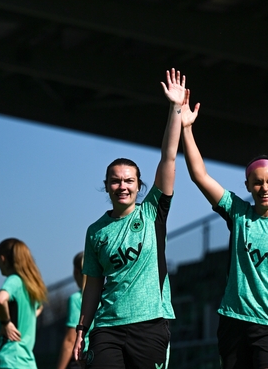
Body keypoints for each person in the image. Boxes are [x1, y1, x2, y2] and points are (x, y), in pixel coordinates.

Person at [181, 89, 268, 368]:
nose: (264, 188)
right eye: (257, 182)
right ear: (247, 186)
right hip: (233, 323)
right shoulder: (237, 213)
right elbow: (199, 176)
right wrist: (187, 128)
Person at [73, 69, 185, 369]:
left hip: (150, 324)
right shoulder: (96, 231)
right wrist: (81, 330)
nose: (122, 186)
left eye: (128, 180)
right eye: (115, 180)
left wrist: (174, 107)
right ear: (106, 185)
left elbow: (169, 157)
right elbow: (93, 286)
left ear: (139, 186)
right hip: (107, 327)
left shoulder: (152, 212)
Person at [0, 238, 47, 369]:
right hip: (27, 361)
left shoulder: (14, 280)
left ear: (2, 258)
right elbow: (39, 307)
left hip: (9, 359)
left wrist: (6, 323)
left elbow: (1, 299)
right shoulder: (31, 285)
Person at [56, 252, 88, 369]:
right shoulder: (105, 297)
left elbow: (71, 340)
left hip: (80, 359)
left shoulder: (76, 299)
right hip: (101, 356)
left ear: (75, 272)